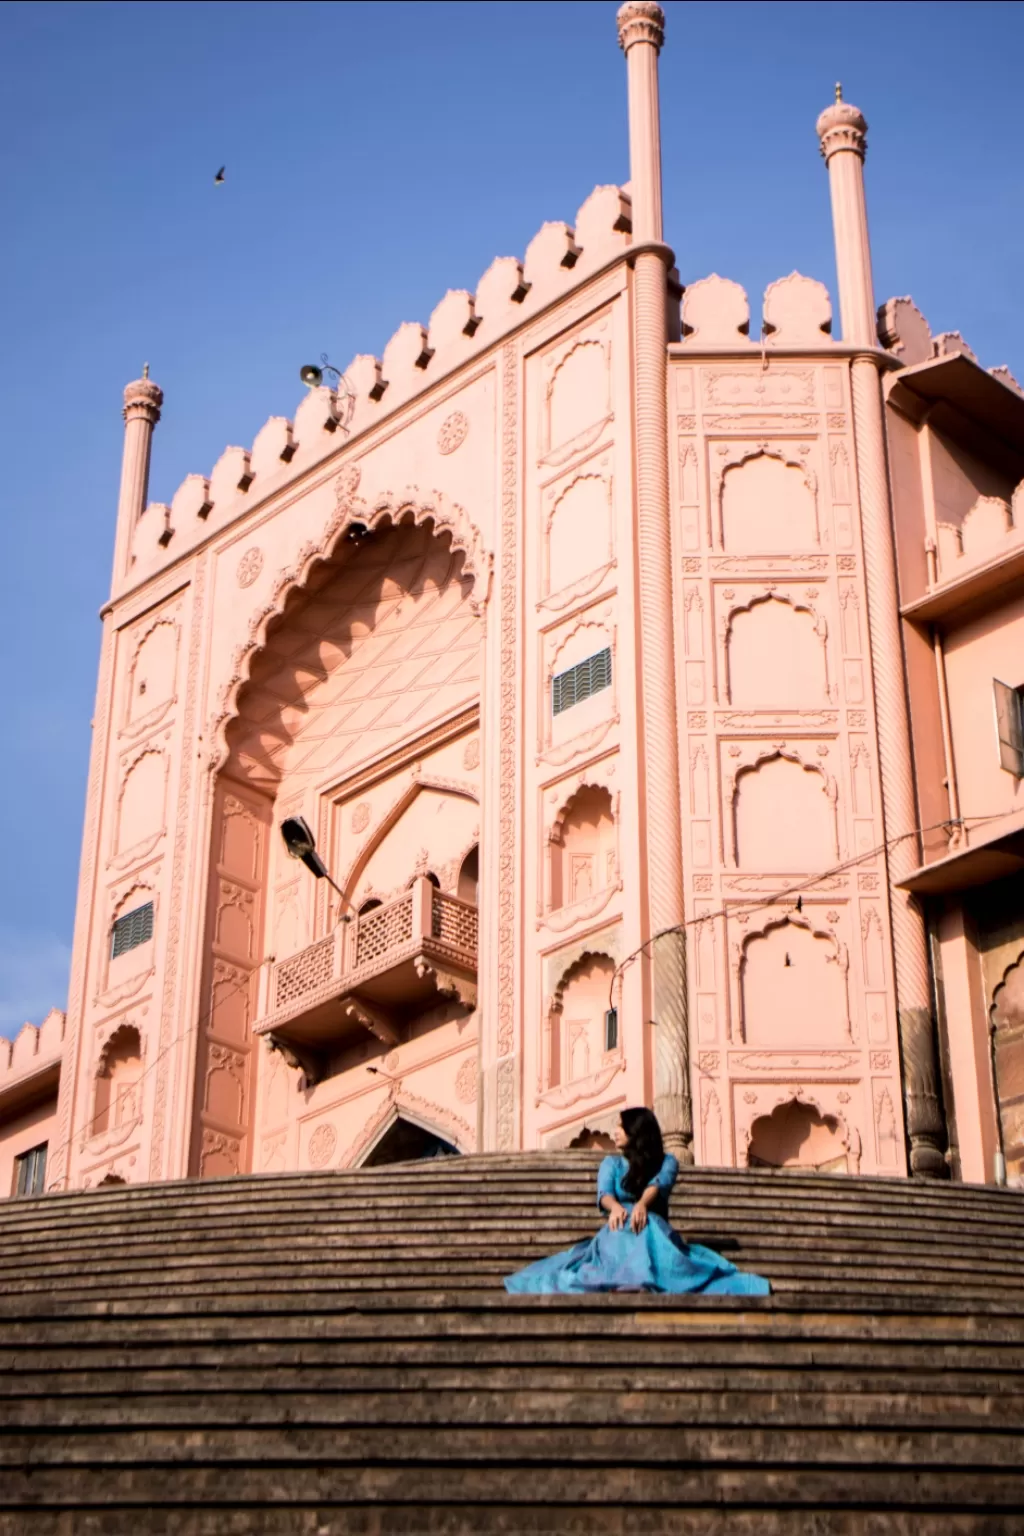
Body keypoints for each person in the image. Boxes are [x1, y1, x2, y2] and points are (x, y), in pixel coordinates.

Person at [504, 1106, 771, 1296]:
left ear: (636, 1131)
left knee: (646, 1228)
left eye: (621, 1126)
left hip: (651, 1225)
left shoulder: (666, 1162)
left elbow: (660, 1183)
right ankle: (626, 1277)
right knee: (619, 1229)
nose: (615, 1131)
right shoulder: (611, 1163)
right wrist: (616, 1207)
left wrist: (642, 1205)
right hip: (618, 1222)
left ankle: (641, 1276)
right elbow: (604, 1193)